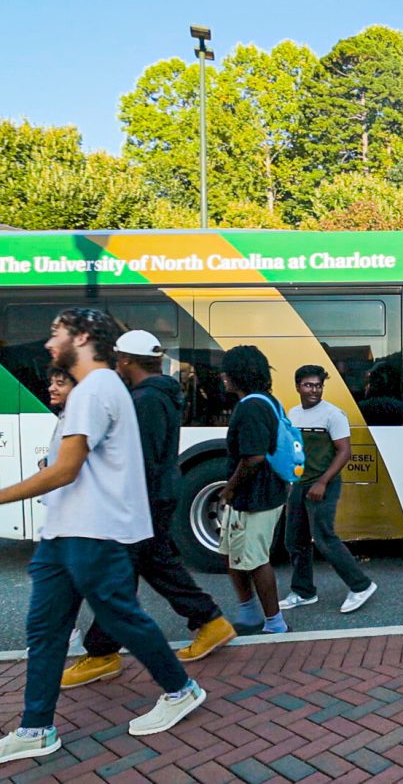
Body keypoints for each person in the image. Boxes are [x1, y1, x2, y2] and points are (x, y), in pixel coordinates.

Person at [0, 309, 205, 764]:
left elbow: (66, 470)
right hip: (65, 531)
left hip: (93, 531)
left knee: (121, 618)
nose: (48, 340)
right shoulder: (101, 389)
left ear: (85, 336)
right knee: (46, 629)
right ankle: (36, 729)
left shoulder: (95, 388)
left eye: (56, 332)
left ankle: (181, 689)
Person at [61, 331, 235, 689]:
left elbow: (136, 459)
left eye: (117, 360)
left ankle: (101, 655)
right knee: (154, 566)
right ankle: (209, 621)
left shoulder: (144, 401)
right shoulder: (160, 394)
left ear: (126, 361)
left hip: (138, 500)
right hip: (152, 497)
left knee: (118, 577)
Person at [279, 365, 378, 614]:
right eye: (309, 385)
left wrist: (322, 482)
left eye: (318, 385)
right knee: (294, 540)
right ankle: (303, 592)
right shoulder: (294, 412)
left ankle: (361, 585)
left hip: (324, 484)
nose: (314, 390)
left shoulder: (333, 415)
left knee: (324, 538)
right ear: (297, 386)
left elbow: (345, 451)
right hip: (300, 484)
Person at [219, 345, 289, 634]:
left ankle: (274, 622)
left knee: (256, 559)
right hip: (261, 493)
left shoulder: (251, 407)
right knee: (233, 552)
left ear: (239, 374)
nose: (223, 376)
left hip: (255, 498)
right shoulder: (266, 401)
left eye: (228, 370)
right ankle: (248, 612)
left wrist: (230, 490)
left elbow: (254, 457)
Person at [36, 368, 75, 471]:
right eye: (51, 383)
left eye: (60, 383)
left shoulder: (77, 418)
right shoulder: (65, 415)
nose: (51, 388)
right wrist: (46, 461)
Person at [358, 361, 403, 425]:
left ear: (373, 384)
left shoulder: (361, 408)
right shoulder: (401, 408)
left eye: (368, 383)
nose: (365, 387)